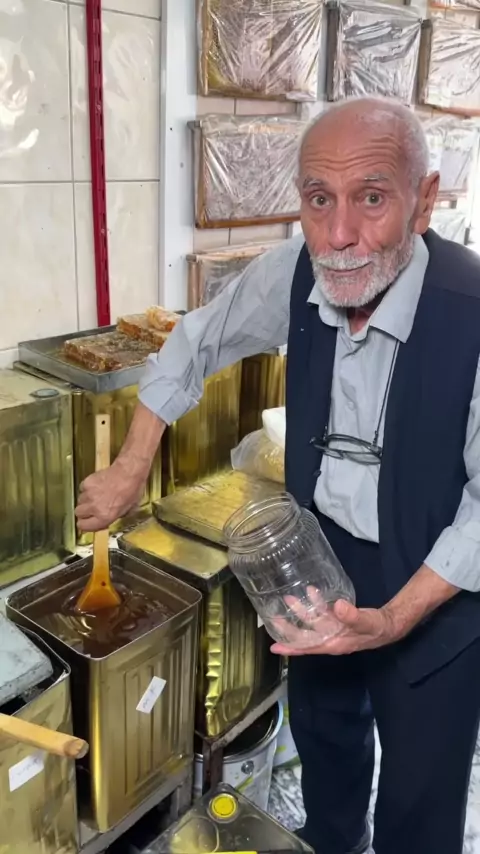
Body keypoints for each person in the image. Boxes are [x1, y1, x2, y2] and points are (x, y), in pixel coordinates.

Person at [76, 97, 480, 854]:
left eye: (371, 198)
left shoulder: (472, 309)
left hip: (437, 580)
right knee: (326, 743)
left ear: (424, 201)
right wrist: (132, 465)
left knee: (422, 794)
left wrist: (396, 618)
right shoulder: (295, 274)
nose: (339, 235)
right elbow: (194, 342)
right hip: (322, 561)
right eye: (318, 199)